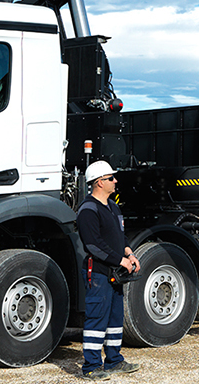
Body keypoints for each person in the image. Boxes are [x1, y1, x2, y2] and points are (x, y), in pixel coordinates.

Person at [76, 160, 142, 379]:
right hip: (99, 274)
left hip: (115, 273)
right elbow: (92, 244)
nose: (115, 181)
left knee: (115, 319)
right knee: (96, 319)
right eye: (111, 178)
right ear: (98, 183)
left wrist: (129, 254)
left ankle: (114, 361)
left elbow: (119, 237)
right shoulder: (88, 209)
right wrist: (119, 260)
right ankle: (91, 367)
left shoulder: (113, 207)